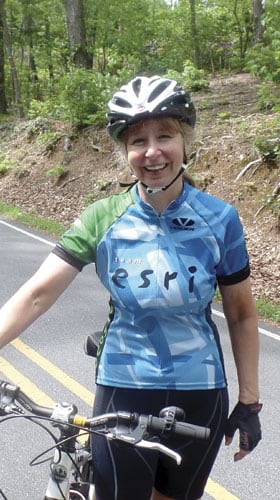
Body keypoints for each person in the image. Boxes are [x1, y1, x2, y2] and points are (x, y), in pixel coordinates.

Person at [0, 75, 262, 500]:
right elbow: (35, 294)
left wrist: (250, 401)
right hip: (125, 386)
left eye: (165, 135)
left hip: (202, 391)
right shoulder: (102, 218)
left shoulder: (220, 219)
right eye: (138, 140)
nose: (153, 151)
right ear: (125, 151)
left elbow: (242, 313)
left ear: (186, 141)